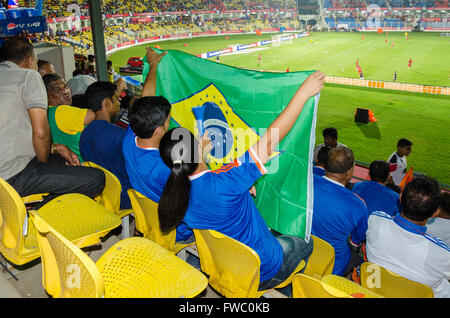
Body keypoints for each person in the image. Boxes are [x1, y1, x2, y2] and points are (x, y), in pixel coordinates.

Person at [157, 71, 325, 290]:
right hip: (262, 269)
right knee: (306, 241)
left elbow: (206, 181)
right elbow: (269, 141)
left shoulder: (174, 190)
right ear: (195, 152)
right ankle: (288, 289)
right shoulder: (228, 183)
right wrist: (302, 94)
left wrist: (201, 153)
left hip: (225, 263)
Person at [0, 37, 105, 208]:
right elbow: (41, 134)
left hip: (7, 171)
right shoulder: (28, 75)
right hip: (12, 176)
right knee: (96, 179)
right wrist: (43, 167)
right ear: (29, 60)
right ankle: (37, 216)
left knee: (62, 161)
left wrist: (55, 147)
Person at [366, 176, 449, 298]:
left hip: (374, 291)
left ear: (400, 197)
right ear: (435, 213)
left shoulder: (375, 220)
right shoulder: (443, 254)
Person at [311, 147, 368, 276]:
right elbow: (356, 241)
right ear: (349, 173)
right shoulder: (358, 205)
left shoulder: (306, 182)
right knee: (362, 261)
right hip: (332, 265)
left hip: (302, 252)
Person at [80, 81, 132, 209]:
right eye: (115, 98)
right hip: (124, 197)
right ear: (107, 102)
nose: (119, 101)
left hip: (101, 194)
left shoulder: (85, 133)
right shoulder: (119, 135)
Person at [43, 73, 95, 159]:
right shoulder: (61, 112)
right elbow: (100, 113)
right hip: (85, 165)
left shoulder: (46, 112)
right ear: (46, 97)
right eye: (57, 90)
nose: (66, 91)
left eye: (66, 86)